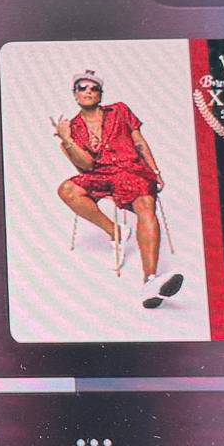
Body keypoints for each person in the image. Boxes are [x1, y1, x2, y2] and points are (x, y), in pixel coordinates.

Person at [52, 70, 185, 308]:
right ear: (75, 94)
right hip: (101, 174)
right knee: (66, 190)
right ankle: (115, 232)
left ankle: (151, 281)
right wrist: (67, 139)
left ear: (100, 94)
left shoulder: (120, 110)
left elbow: (139, 142)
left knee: (145, 206)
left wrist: (154, 170)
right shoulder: (73, 127)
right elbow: (86, 166)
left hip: (132, 170)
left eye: (93, 88)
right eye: (82, 87)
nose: (88, 91)